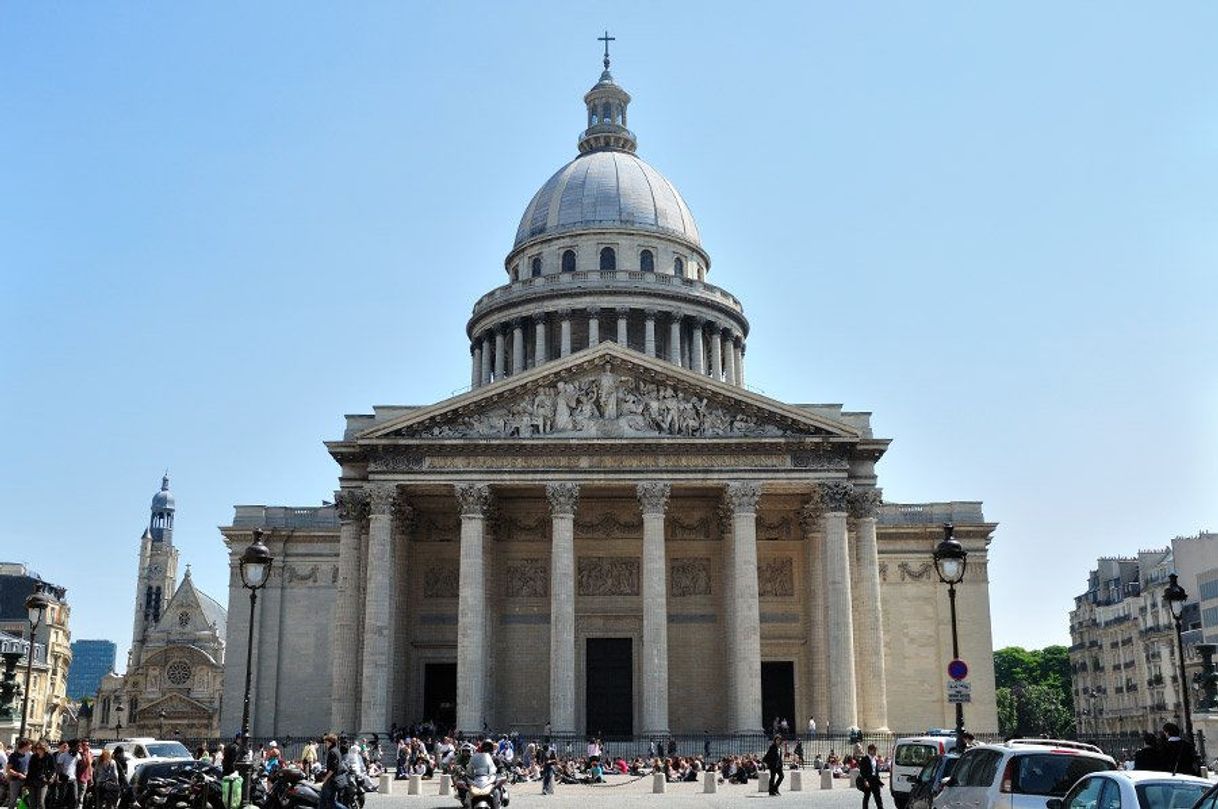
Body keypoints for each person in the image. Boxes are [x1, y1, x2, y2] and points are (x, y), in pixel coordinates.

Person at [319, 735, 348, 809]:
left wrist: (325, 780)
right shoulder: (337, 750)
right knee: (329, 802)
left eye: (326, 742)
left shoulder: (332, 752)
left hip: (332, 780)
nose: (325, 744)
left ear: (330, 742)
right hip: (335, 779)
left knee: (326, 801)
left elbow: (333, 768)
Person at [6, 739, 30, 809]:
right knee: (13, 800)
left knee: (25, 800)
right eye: (29, 745)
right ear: (25, 746)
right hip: (15, 781)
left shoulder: (28, 755)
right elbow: (8, 769)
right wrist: (18, 774)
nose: (30, 747)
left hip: (25, 781)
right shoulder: (14, 755)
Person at [859, 744, 884, 809]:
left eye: (875, 750)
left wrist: (879, 781)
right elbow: (862, 771)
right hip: (868, 779)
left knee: (878, 796)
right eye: (874, 750)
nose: (875, 751)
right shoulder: (864, 759)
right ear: (870, 750)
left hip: (875, 780)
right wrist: (865, 780)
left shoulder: (875, 759)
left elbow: (876, 771)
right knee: (867, 796)